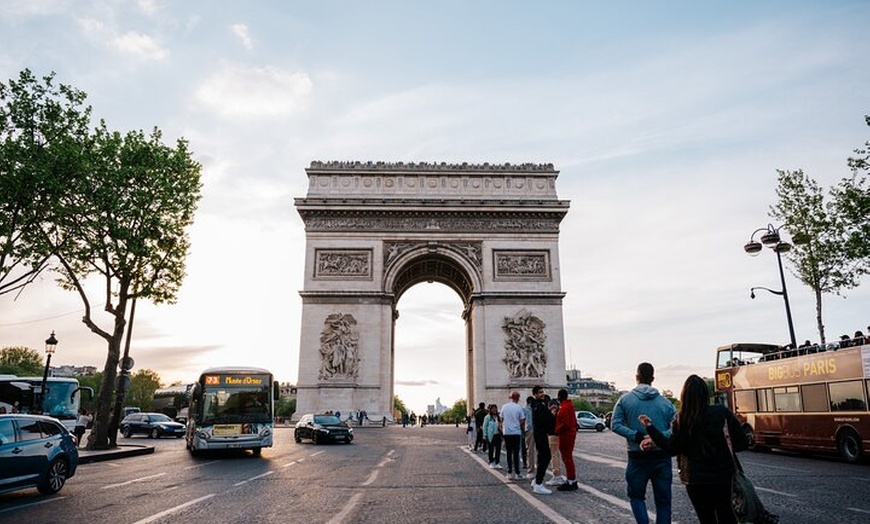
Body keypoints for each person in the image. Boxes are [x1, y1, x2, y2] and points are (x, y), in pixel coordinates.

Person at [639, 375, 749, 524]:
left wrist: (650, 428)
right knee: (726, 513)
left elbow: (672, 448)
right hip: (722, 475)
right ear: (706, 394)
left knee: (706, 518)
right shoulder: (721, 413)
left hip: (695, 478)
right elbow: (742, 443)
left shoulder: (682, 419)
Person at [611, 362, 677, 524]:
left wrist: (638, 437)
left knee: (636, 497)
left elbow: (615, 424)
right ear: (653, 378)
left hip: (636, 456)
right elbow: (677, 427)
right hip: (662, 457)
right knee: (663, 502)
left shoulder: (624, 400)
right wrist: (657, 438)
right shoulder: (666, 403)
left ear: (636, 377)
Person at [530, 385, 555, 495]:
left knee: (542, 457)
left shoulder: (537, 405)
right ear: (535, 394)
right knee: (545, 457)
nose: (542, 394)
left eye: (542, 392)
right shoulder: (539, 406)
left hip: (539, 433)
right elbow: (546, 420)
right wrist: (552, 415)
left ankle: (536, 480)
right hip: (541, 434)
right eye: (540, 392)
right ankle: (538, 484)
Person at [554, 388, 578, 491]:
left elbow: (565, 423)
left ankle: (570, 480)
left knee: (567, 458)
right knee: (568, 458)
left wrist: (557, 430)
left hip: (565, 435)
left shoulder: (564, 407)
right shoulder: (569, 406)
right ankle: (571, 479)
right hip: (569, 434)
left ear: (559, 397)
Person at [500, 391, 526, 480]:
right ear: (517, 398)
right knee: (516, 453)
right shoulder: (519, 407)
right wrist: (517, 424)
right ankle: (517, 473)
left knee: (508, 453)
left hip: (507, 432)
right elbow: (522, 420)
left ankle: (509, 472)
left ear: (510, 397)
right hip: (516, 432)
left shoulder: (504, 407)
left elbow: (502, 419)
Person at [545, 397, 565, 487]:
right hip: (557, 434)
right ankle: (557, 475)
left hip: (553, 434)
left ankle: (556, 475)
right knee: (555, 455)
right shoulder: (559, 412)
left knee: (554, 455)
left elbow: (550, 423)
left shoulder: (553, 413)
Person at [483, 404, 502, 469]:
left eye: (495, 408)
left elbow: (500, 425)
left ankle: (497, 462)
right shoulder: (487, 417)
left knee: (498, 449)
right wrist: (485, 435)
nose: (494, 410)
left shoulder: (498, 417)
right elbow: (484, 426)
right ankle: (491, 462)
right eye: (493, 408)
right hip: (490, 435)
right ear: (490, 410)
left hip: (498, 435)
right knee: (491, 449)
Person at [523, 395, 536, 476]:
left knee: (530, 451)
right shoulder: (536, 409)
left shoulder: (524, 409)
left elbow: (522, 421)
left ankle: (531, 470)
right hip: (538, 430)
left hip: (529, 430)